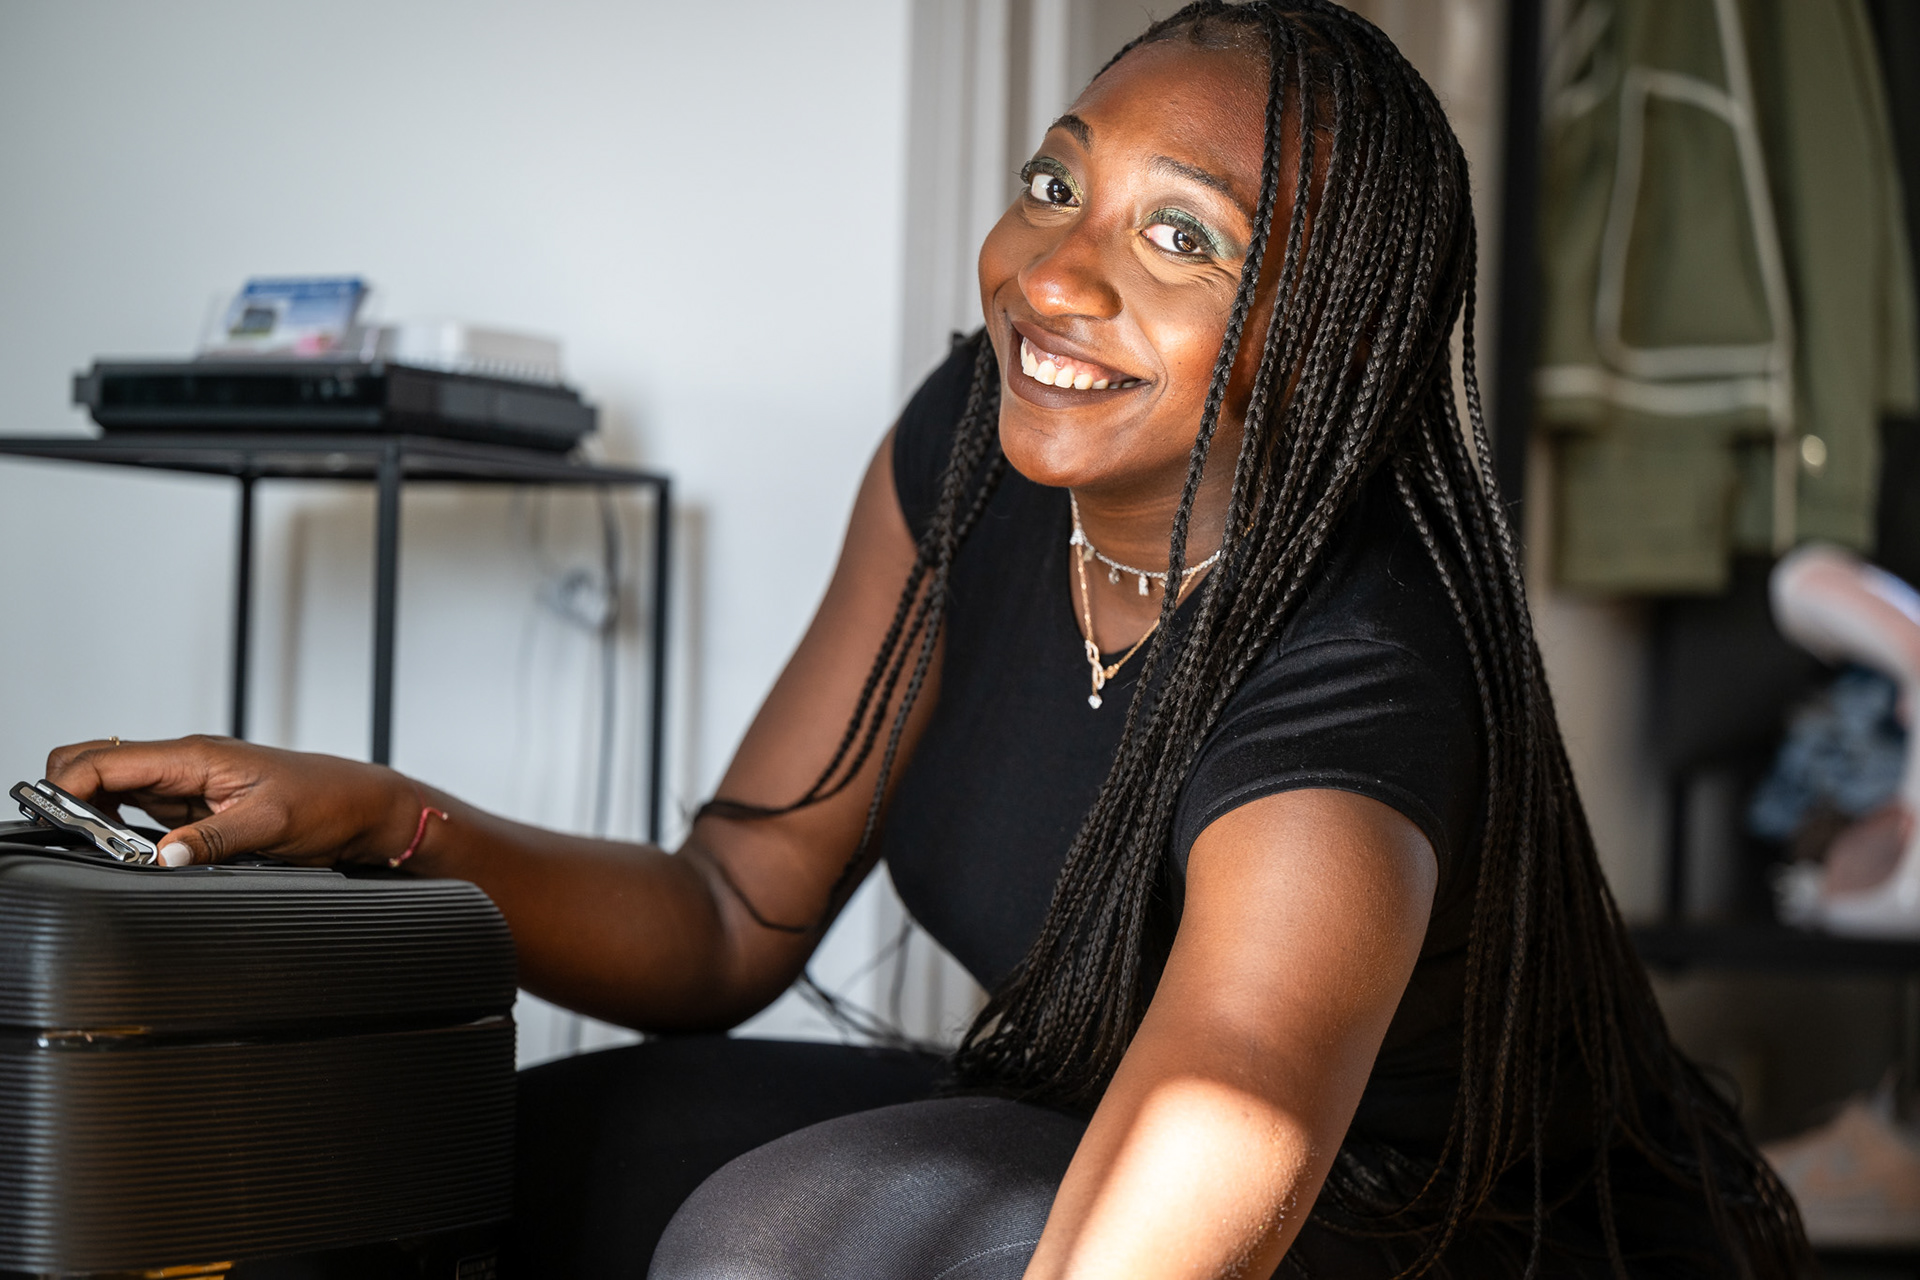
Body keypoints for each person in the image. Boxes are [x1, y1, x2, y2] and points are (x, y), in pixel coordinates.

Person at [44, 3, 1811, 1276]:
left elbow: (1227, 1111)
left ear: (1333, 339)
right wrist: (383, 816)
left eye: (1180, 238)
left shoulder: (1359, 665)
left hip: (1444, 1221)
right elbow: (726, 915)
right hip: (1088, 1112)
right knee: (496, 1154)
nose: (1055, 276)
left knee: (777, 1239)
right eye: (1059, 184)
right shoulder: (977, 446)